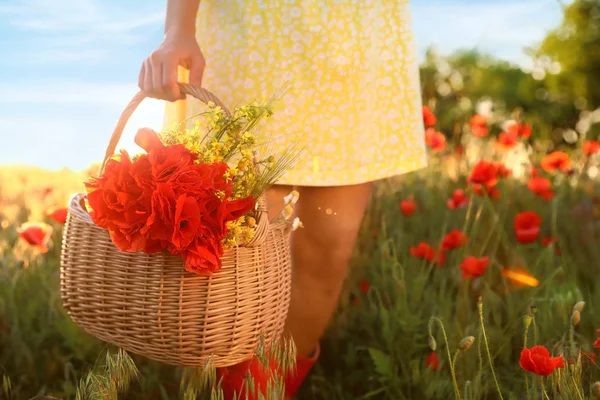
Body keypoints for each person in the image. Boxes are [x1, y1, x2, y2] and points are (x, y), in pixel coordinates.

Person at [139, 1, 427, 398]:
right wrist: (178, 30)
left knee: (330, 245)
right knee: (236, 251)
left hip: (357, 38)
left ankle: (267, 388)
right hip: (253, 35)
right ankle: (230, 388)